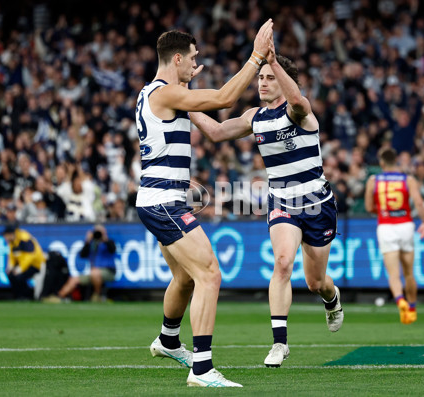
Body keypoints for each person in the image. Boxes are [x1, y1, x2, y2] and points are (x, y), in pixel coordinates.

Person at [189, 38, 343, 368]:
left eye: (269, 77)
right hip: (282, 201)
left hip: (317, 204)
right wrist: (186, 106)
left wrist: (274, 62)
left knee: (316, 282)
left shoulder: (298, 112)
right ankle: (279, 343)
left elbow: (299, 101)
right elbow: (216, 132)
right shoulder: (254, 117)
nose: (262, 81)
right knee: (284, 262)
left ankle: (331, 298)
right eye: (260, 77)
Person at [135, 20, 273, 387]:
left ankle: (167, 340)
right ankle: (202, 369)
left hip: (157, 198)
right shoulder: (165, 94)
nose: (196, 63)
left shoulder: (160, 93)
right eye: (192, 58)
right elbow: (225, 98)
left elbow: (213, 131)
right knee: (210, 274)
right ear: (177, 58)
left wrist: (186, 85)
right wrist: (257, 57)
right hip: (165, 200)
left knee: (184, 278)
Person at [364, 148, 424, 324]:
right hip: (406, 225)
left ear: (382, 163)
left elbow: (369, 206)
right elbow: (419, 202)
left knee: (393, 274)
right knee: (409, 273)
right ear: (397, 162)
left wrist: (383, 210)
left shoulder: (373, 180)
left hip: (386, 226)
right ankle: (413, 308)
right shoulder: (408, 179)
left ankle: (400, 300)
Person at [44, 224, 116, 302]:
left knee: (95, 272)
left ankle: (97, 295)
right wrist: (87, 242)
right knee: (74, 279)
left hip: (108, 271)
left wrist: (105, 239)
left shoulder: (109, 242)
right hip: (93, 273)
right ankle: (59, 296)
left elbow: (113, 249)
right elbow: (82, 255)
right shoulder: (92, 244)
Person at [2, 223, 46, 300]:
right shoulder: (12, 242)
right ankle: (19, 295)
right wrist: (10, 267)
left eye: (5, 235)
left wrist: (19, 269)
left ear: (10, 234)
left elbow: (30, 256)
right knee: (11, 275)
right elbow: (12, 256)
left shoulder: (24, 238)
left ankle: (27, 295)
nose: (4, 237)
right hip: (25, 265)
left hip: (36, 264)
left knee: (19, 276)